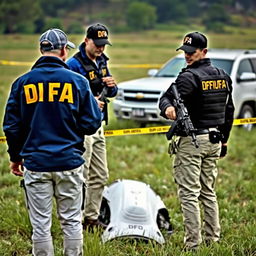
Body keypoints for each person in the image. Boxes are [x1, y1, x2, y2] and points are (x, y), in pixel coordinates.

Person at [3, 28, 102, 256]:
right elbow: (91, 124)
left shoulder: (22, 83)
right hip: (69, 162)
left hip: (36, 164)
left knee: (40, 225)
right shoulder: (77, 82)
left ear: (41, 50)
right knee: (72, 221)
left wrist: (15, 158)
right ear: (64, 51)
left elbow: (11, 127)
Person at [159, 32, 235, 250]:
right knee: (208, 192)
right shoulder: (222, 75)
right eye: (185, 52)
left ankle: (193, 244)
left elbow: (165, 98)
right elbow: (229, 110)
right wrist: (225, 140)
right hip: (214, 139)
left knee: (189, 194)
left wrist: (167, 108)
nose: (187, 56)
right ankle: (213, 239)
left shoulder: (187, 78)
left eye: (191, 52)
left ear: (204, 52)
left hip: (192, 143)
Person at [67, 23, 118, 231]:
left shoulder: (102, 61)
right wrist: (89, 103)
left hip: (98, 126)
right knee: (81, 174)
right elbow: (67, 98)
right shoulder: (73, 65)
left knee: (100, 174)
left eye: (104, 45)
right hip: (81, 127)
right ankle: (74, 220)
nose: (100, 48)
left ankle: (91, 218)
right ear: (86, 41)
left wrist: (113, 87)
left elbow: (111, 93)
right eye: (97, 44)